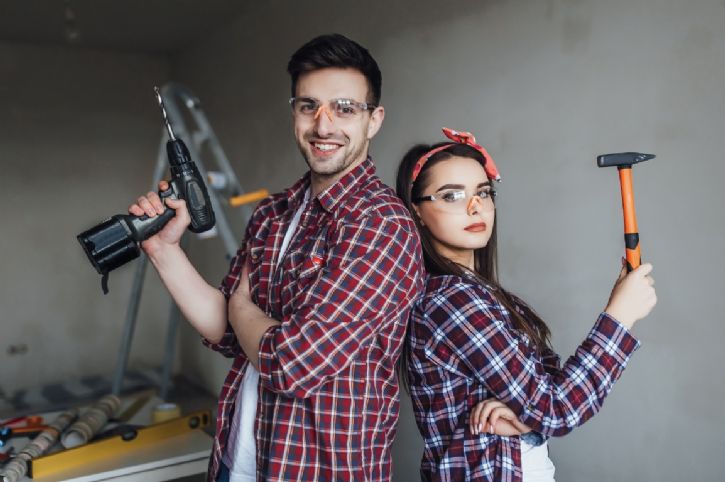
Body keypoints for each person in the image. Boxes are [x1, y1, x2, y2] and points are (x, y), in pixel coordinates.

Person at [129, 34, 424, 482]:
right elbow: (228, 333)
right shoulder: (273, 212)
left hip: (315, 471)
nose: (323, 126)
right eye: (309, 106)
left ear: (374, 120)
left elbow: (291, 365)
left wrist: (243, 306)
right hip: (238, 459)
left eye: (344, 108)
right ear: (294, 113)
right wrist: (163, 250)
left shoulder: (381, 225)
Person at [395, 128, 657, 482]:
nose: (475, 206)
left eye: (483, 192)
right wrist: (619, 316)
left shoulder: (486, 297)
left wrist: (525, 416)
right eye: (451, 195)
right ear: (417, 211)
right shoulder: (450, 301)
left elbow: (549, 389)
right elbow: (559, 407)